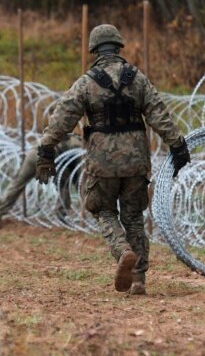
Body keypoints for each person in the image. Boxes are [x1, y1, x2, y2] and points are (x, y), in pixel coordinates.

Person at [36, 24, 190, 295]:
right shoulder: (138, 79)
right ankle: (139, 278)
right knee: (133, 216)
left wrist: (46, 149)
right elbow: (158, 114)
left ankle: (122, 252)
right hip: (136, 160)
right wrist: (177, 145)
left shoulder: (86, 82)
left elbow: (62, 118)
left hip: (102, 161)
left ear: (94, 50)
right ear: (119, 47)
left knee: (102, 210)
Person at [0, 133, 83, 229]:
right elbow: (75, 173)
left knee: (17, 184)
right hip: (49, 158)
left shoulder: (58, 131)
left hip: (34, 154)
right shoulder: (77, 145)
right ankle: (61, 215)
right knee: (63, 185)